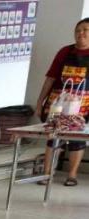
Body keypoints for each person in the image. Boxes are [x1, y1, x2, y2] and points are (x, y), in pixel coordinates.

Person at [35, 18, 89, 186]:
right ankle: (46, 173)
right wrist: (40, 102)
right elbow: (50, 78)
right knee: (54, 136)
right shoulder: (65, 52)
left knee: (77, 139)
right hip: (58, 104)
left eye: (85, 30)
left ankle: (71, 175)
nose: (81, 33)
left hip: (83, 106)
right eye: (78, 30)